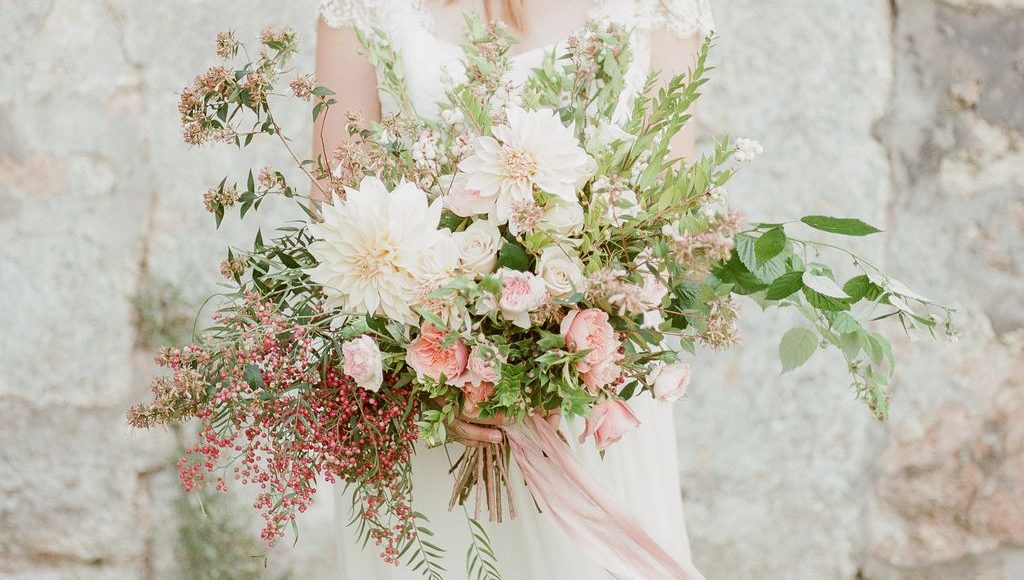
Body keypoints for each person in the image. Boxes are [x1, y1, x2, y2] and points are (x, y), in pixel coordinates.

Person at [314, 1, 713, 577]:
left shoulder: (662, 11)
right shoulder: (363, 8)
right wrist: (441, 371)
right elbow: (338, 212)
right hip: (423, 403)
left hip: (587, 406)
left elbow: (664, 220)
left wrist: (567, 358)